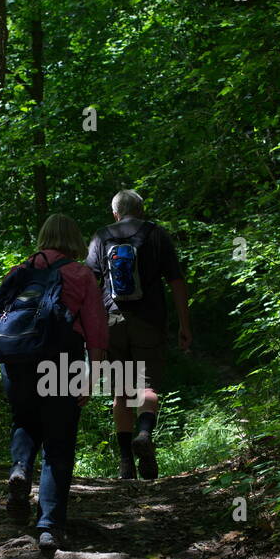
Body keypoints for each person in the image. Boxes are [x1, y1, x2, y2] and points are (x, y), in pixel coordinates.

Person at [0, 214, 109, 553]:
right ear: (74, 239)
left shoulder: (17, 272)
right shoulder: (80, 274)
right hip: (62, 364)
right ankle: (48, 525)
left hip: (16, 364)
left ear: (44, 236)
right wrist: (92, 374)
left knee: (24, 422)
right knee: (58, 444)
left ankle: (19, 469)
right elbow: (96, 330)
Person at [86, 189, 192, 480]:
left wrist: (88, 328)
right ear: (141, 210)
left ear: (115, 213)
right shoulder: (157, 235)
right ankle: (144, 434)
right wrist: (185, 325)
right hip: (149, 320)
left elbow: (88, 285)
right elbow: (177, 282)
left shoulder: (101, 236)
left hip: (111, 319)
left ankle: (125, 463)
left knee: (121, 393)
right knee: (147, 388)